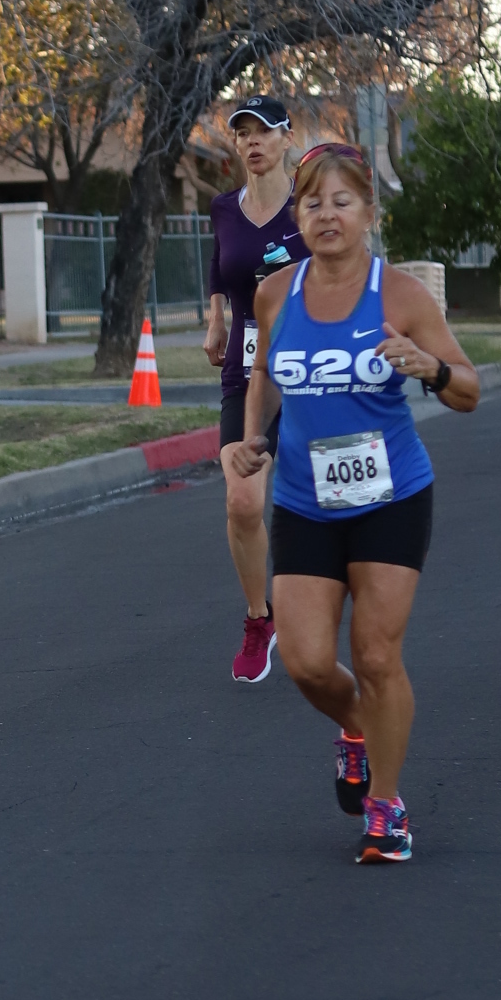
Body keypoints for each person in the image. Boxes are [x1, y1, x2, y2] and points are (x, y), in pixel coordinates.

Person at [228, 143, 478, 863]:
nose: (326, 215)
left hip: (390, 496)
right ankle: (361, 730)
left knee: (374, 653)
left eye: (341, 202)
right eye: (312, 204)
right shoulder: (276, 293)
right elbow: (264, 373)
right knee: (308, 662)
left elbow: (468, 389)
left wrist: (429, 367)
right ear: (298, 216)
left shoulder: (400, 295)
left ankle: (386, 808)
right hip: (305, 500)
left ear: (369, 212)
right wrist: (252, 438)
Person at [205, 91, 304, 683]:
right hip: (247, 373)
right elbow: (220, 261)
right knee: (242, 502)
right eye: (242, 133)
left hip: (312, 374)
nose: (251, 142)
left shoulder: (309, 204)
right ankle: (259, 618)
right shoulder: (225, 208)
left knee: (319, 505)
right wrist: (216, 316)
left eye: (263, 131)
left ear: (287, 137)